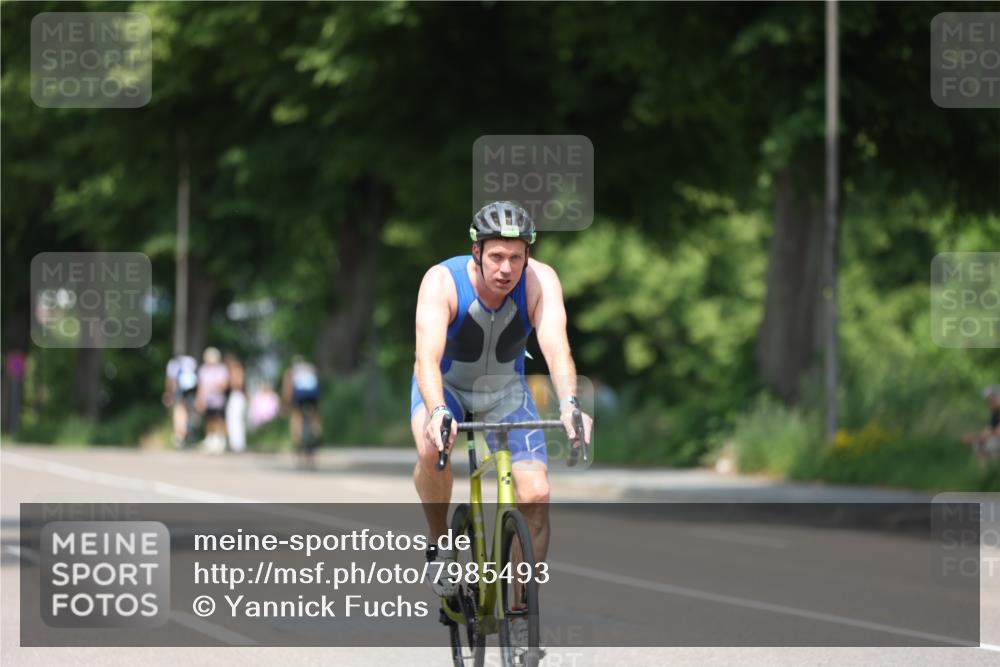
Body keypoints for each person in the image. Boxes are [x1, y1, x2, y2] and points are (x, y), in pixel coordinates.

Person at [411, 201, 593, 605]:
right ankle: (441, 545)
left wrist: (569, 403)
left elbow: (556, 347)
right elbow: (426, 357)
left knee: (536, 494)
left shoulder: (540, 281)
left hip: (505, 393)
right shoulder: (442, 281)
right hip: (446, 388)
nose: (506, 268)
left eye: (516, 257)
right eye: (496, 256)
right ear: (477, 251)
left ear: (528, 254)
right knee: (430, 447)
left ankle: (521, 610)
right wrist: (438, 410)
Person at [282, 355, 322, 469]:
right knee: (314, 415)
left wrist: (286, 403)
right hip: (313, 394)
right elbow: (318, 382)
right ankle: (317, 436)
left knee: (296, 416)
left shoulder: (292, 370)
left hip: (299, 394)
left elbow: (287, 387)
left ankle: (297, 443)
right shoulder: (311, 368)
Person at [196, 347, 229, 454]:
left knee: (218, 419)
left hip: (218, 399)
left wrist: (216, 386)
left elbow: (225, 384)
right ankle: (210, 439)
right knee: (209, 419)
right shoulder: (203, 370)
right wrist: (200, 399)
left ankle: (220, 439)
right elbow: (201, 386)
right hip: (207, 399)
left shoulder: (221, 369)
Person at [164, 353, 199, 448]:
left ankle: (182, 435)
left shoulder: (173, 364)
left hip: (184, 391)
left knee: (181, 412)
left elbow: (171, 379)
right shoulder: (190, 361)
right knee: (186, 413)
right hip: (190, 391)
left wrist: (168, 393)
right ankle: (185, 436)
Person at [963, 386, 1000, 464]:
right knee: (978, 446)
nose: (990, 403)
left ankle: (991, 472)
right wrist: (974, 438)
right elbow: (988, 431)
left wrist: (981, 438)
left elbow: (997, 432)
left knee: (987, 446)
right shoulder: (995, 413)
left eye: (993, 399)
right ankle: (988, 474)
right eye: (988, 401)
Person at [224, 353, 247, 453]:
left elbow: (238, 384)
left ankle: (237, 444)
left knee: (235, 419)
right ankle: (235, 443)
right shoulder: (237, 370)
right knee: (233, 420)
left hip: (237, 395)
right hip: (236, 396)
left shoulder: (236, 370)